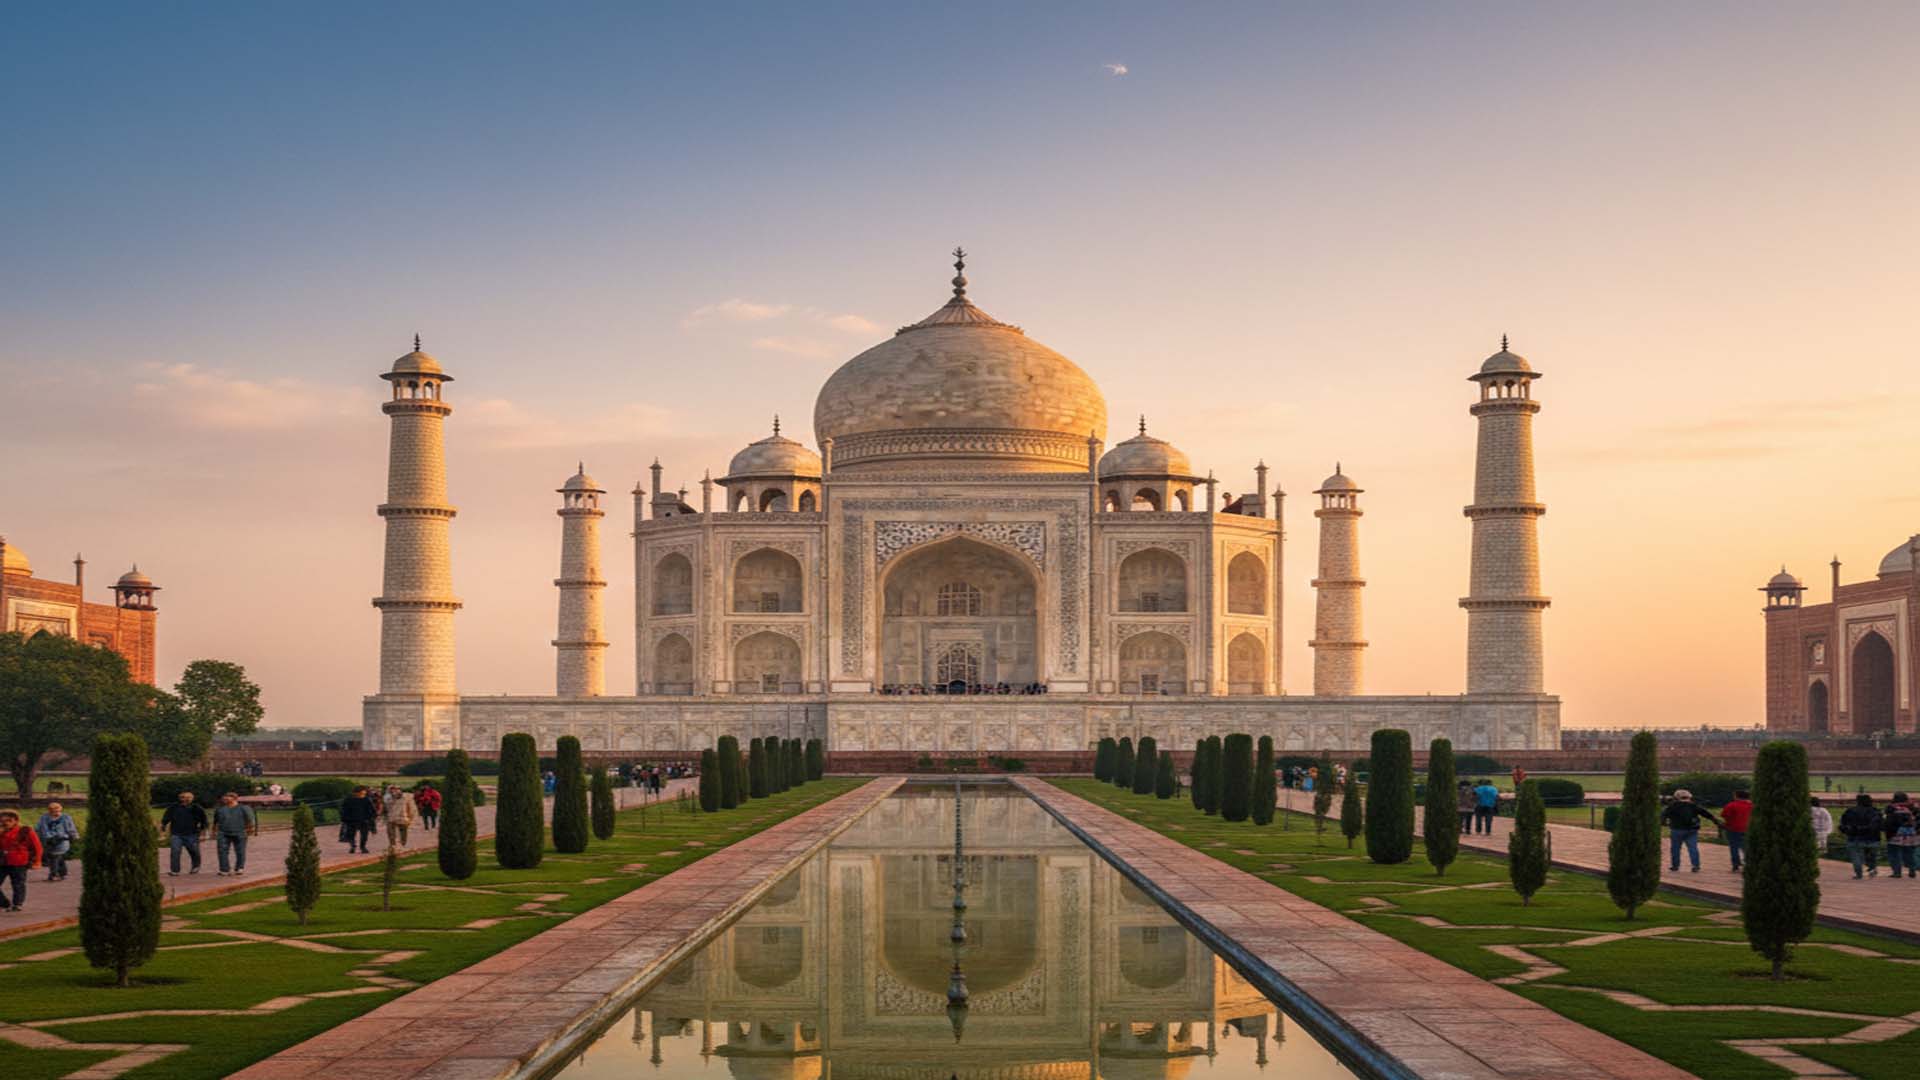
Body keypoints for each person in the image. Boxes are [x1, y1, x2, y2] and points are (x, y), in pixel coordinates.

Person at [1660, 789, 1720, 873]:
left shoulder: (1672, 806)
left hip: (1677, 829)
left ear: (1676, 797)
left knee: (1675, 849)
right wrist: (1715, 821)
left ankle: (1675, 866)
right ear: (1689, 796)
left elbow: (1663, 815)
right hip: (1692, 829)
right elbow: (1706, 813)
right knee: (1693, 848)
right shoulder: (1693, 805)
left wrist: (1663, 822)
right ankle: (1696, 866)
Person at [0, 809, 44, 912]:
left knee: (18, 884)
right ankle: (4, 903)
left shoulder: (25, 831)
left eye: (9, 820)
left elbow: (37, 847)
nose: (5, 823)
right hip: (2, 861)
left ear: (15, 820)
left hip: (19, 862)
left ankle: (17, 904)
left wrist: (37, 861)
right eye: (2, 821)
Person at [158, 790, 209, 876]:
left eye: (189, 797)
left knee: (194, 851)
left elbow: (204, 820)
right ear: (180, 798)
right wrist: (163, 826)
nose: (186, 799)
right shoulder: (173, 807)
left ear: (192, 798)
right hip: (176, 834)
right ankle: (175, 870)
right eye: (184, 797)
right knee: (175, 851)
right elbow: (166, 818)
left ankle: (195, 866)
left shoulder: (197, 808)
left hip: (192, 834)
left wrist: (203, 832)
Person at [212, 791, 258, 877]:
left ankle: (239, 868)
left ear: (234, 798)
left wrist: (250, 830)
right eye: (224, 797)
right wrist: (214, 831)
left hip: (240, 832)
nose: (225, 799)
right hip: (223, 833)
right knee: (222, 851)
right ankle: (224, 869)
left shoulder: (244, 808)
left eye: (227, 797)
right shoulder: (220, 809)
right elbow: (216, 822)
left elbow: (250, 820)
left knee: (240, 851)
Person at [1840, 793, 1883, 878]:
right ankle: (1872, 868)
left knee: (1856, 856)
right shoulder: (1875, 811)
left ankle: (1858, 873)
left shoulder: (1850, 811)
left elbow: (1843, 823)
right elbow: (1880, 825)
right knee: (1871, 855)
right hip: (1872, 838)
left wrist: (1846, 830)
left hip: (1855, 837)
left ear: (1857, 801)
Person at [34, 802, 79, 882]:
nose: (56, 813)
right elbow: (38, 828)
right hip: (48, 840)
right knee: (57, 856)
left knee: (54, 856)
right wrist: (36, 836)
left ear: (60, 809)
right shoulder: (44, 817)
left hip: (62, 840)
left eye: (57, 811)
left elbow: (71, 827)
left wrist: (74, 836)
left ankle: (54, 874)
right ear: (49, 811)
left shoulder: (65, 817)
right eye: (53, 811)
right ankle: (63, 873)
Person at [1884, 792, 1919, 880]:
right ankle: (1912, 870)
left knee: (1894, 853)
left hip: (1896, 834)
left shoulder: (1891, 808)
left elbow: (1888, 822)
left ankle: (1897, 872)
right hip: (1910, 834)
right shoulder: (1912, 808)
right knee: (1909, 853)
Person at [1720, 789, 1754, 872]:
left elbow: (1724, 815)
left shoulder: (1731, 805)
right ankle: (1749, 863)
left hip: (1733, 828)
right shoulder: (1752, 805)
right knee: (1746, 847)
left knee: (1734, 847)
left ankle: (1736, 865)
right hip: (1748, 829)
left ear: (1737, 796)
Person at [339, 786, 378, 853]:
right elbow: (343, 810)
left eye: (364, 792)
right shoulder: (348, 799)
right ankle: (353, 846)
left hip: (364, 820)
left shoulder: (366, 799)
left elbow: (372, 809)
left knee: (364, 835)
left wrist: (372, 816)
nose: (364, 793)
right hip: (351, 820)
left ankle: (363, 847)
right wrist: (345, 818)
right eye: (363, 792)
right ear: (357, 792)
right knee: (351, 834)